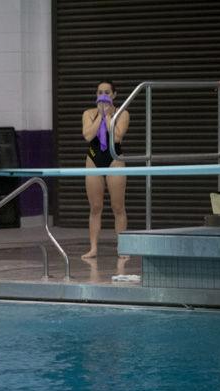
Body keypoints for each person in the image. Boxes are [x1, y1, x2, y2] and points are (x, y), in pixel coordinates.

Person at [81, 80, 130, 259]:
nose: (103, 96)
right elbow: (88, 135)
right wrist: (100, 116)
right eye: (100, 92)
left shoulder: (122, 113)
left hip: (114, 159)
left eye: (107, 92)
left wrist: (109, 116)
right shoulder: (88, 113)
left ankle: (122, 247)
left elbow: (116, 137)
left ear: (114, 95)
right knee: (95, 207)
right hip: (93, 158)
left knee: (118, 206)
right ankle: (93, 248)